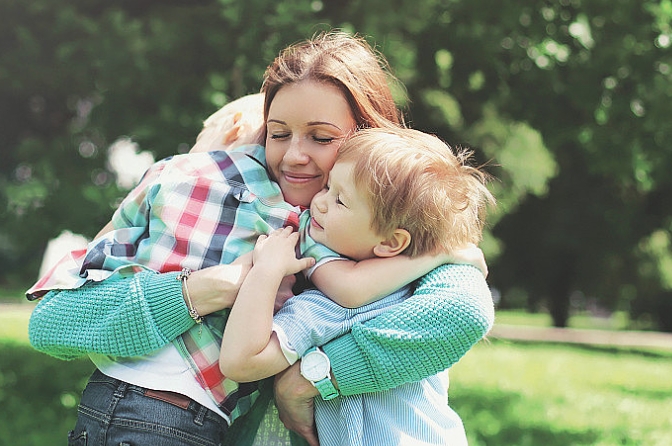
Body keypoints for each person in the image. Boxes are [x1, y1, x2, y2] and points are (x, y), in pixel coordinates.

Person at [27, 31, 494, 446]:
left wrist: (310, 379)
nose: (294, 156)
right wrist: (200, 289)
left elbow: (463, 312)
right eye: (276, 134)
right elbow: (50, 321)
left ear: (367, 142)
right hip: (159, 413)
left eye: (322, 138)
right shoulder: (245, 205)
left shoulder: (408, 223)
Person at [220, 127, 494, 445]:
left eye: (340, 200)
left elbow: (240, 361)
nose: (319, 203)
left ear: (392, 242)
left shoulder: (332, 309)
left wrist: (266, 271)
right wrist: (441, 253)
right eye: (327, 186)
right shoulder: (422, 293)